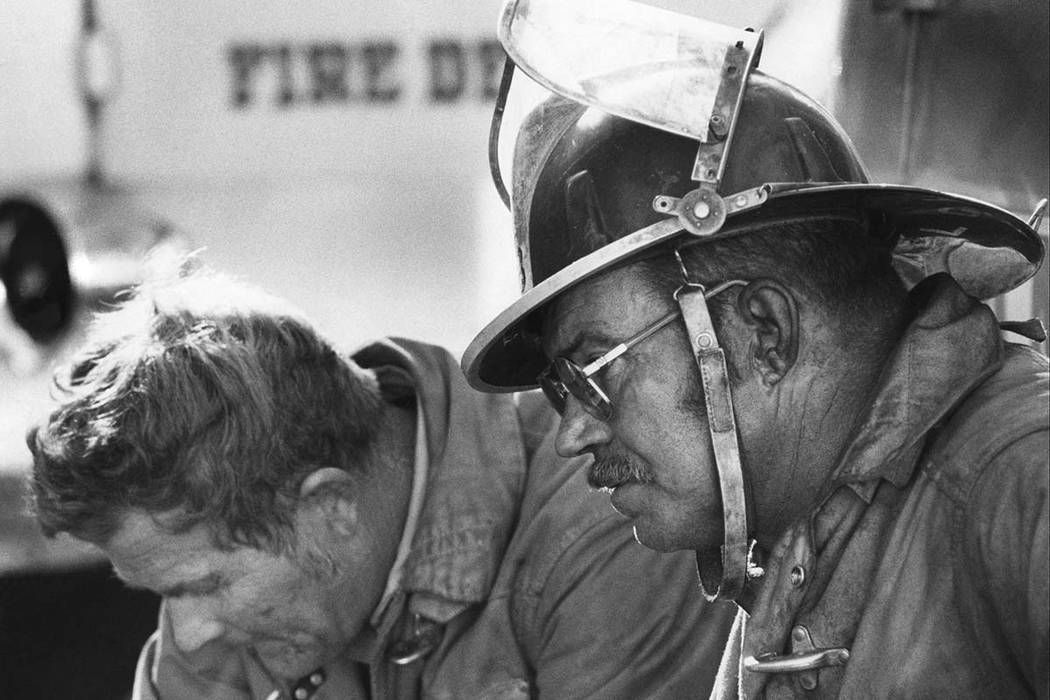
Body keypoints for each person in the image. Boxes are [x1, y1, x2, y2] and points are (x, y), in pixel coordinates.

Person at [461, 3, 1049, 698]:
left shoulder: (1020, 487)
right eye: (560, 389)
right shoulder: (795, 555)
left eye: (592, 371)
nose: (572, 434)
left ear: (763, 332)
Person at [27, 266, 735, 700]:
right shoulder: (215, 589)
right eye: (165, 594)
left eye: (205, 586)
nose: (185, 630)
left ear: (329, 506)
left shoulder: (606, 528)